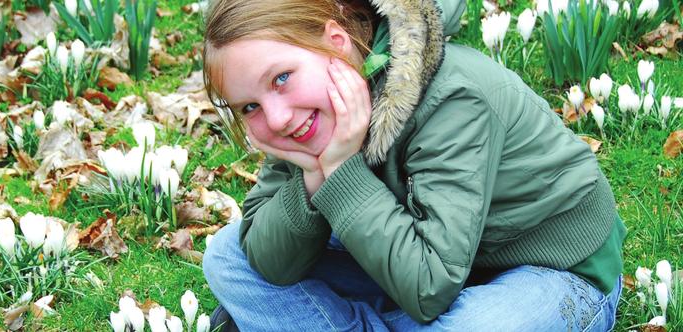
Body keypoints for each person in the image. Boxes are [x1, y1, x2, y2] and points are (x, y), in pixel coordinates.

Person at [200, 0, 626, 330]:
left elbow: (429, 287)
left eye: (281, 78)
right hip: (418, 256)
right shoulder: (304, 111)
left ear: (336, 42)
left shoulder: (452, 96)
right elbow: (267, 260)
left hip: (546, 270)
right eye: (250, 106)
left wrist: (342, 169)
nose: (276, 118)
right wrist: (315, 174)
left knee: (479, 327)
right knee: (227, 256)